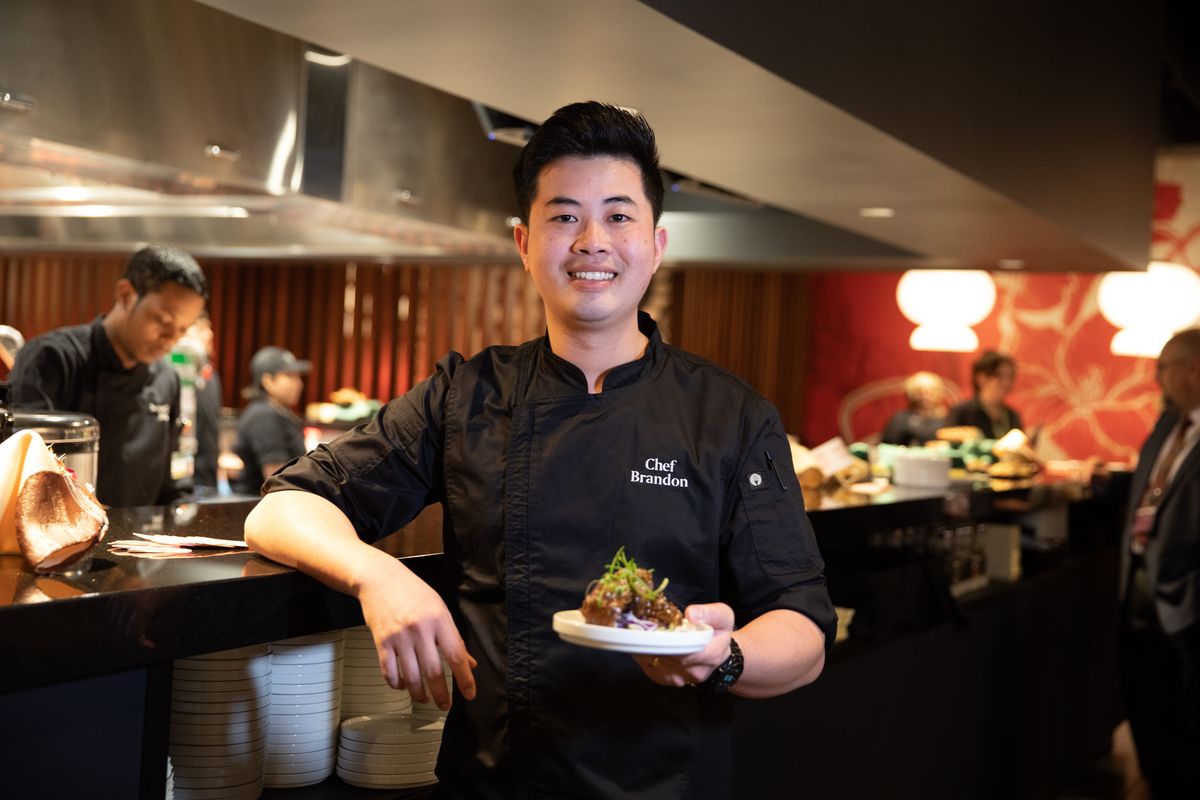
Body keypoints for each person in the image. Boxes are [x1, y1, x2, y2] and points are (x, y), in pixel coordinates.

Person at [245, 101, 835, 799]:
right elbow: (283, 508)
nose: (592, 241)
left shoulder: (730, 416)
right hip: (496, 782)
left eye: (619, 216)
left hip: (666, 783)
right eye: (564, 217)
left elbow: (803, 631)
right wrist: (379, 576)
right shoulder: (466, 394)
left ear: (656, 243)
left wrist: (722, 657)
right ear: (524, 243)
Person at [8, 245, 207, 507]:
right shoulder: (53, 358)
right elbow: (25, 472)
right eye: (163, 320)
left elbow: (173, 483)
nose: (172, 339)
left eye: (183, 329)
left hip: (141, 542)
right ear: (126, 294)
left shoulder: (166, 379)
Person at [1118, 328, 1200, 798]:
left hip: (1188, 598)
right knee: (1144, 705)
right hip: (1138, 589)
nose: (1156, 379)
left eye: (1163, 368)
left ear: (1192, 369)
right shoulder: (1168, 425)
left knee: (1185, 728)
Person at [231, 346, 311, 495]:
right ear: (268, 381)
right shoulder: (263, 416)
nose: (299, 383)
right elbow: (277, 479)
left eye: (298, 377)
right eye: (290, 376)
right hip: (259, 506)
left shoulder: (280, 411)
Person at [180, 313, 223, 497]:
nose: (209, 334)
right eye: (200, 328)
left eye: (209, 328)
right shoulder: (177, 371)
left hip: (209, 477)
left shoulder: (209, 373)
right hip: (189, 477)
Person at [944, 349, 1023, 439]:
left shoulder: (1011, 415)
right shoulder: (962, 412)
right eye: (999, 376)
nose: (1006, 382)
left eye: (1010, 377)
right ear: (982, 378)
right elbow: (946, 444)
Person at [881, 371, 948, 445]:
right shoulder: (900, 418)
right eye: (920, 393)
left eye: (930, 392)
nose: (925, 397)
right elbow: (888, 443)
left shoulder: (947, 418)